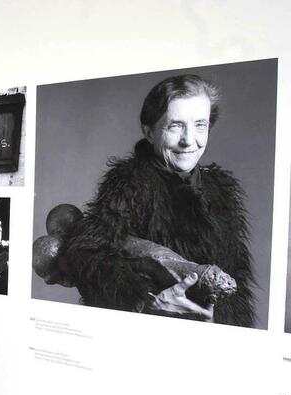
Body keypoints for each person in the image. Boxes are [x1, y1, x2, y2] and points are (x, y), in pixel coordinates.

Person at [66, 74, 254, 327]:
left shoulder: (222, 189)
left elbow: (238, 283)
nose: (189, 140)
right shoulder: (129, 183)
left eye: (200, 125)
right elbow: (86, 254)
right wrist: (146, 301)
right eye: (175, 126)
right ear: (149, 131)